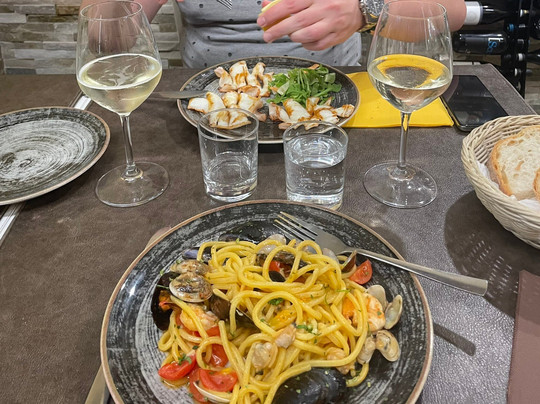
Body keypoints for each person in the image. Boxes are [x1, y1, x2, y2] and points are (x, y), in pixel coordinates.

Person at [80, 0, 466, 69]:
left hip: (335, 103)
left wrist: (363, 10)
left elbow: (453, 12)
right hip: (207, 114)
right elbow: (106, 40)